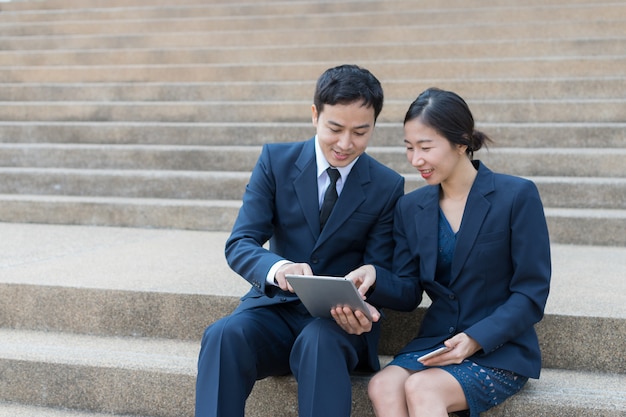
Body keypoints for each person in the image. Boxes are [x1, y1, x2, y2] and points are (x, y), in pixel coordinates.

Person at [194, 64, 405, 417]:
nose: (345, 143)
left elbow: (381, 267)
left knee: (319, 341)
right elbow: (241, 242)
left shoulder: (387, 186)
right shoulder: (275, 162)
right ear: (314, 115)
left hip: (339, 324)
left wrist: (366, 299)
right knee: (222, 336)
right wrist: (278, 269)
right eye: (335, 128)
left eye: (360, 132)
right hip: (272, 310)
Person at [333, 87, 551, 416]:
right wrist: (375, 275)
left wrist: (476, 338)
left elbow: (532, 292)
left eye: (425, 147)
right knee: (382, 384)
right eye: (409, 147)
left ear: (461, 141)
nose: (415, 159)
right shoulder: (410, 207)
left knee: (422, 387)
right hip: (437, 342)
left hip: (498, 347)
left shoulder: (516, 196)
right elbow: (408, 291)